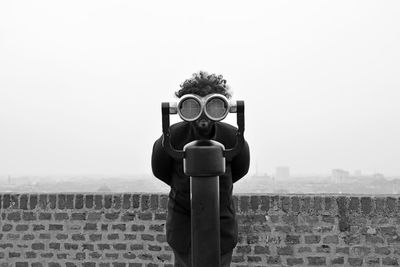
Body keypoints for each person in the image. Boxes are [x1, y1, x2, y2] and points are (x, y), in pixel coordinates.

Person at [151, 71, 250, 267]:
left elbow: (241, 168)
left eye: (212, 105)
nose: (203, 113)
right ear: (182, 106)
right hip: (183, 226)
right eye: (194, 105)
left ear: (223, 106)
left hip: (221, 225)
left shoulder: (232, 138)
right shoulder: (171, 139)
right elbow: (160, 169)